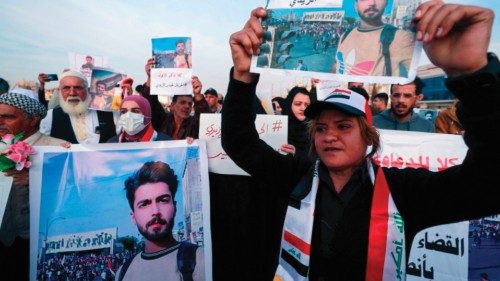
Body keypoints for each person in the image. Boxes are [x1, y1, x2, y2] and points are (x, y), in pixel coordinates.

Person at [223, 2, 499, 280]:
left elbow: (488, 183)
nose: (329, 136)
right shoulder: (296, 176)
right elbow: (239, 142)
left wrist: (473, 75)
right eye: (320, 128)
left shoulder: (401, 190)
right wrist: (243, 76)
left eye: (343, 126)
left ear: (368, 135)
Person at [0, 93, 67, 281]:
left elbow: (70, 189)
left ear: (33, 120)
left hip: (36, 244)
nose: (0, 122)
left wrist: (37, 178)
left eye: (8, 117)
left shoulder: (58, 149)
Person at [116, 161, 204, 281]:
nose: (155, 211)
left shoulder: (201, 259)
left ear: (175, 207)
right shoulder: (123, 273)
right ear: (133, 217)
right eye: (145, 204)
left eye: (163, 200)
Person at [333, 0, 415, 77]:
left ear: (386, 2)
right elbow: (336, 66)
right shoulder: (345, 35)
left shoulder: (400, 37)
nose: (372, 3)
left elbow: (420, 76)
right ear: (356, 5)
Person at [40, 70, 117, 144]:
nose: (72, 93)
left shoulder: (110, 114)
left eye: (78, 88)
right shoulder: (50, 116)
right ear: (59, 91)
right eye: (66, 88)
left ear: (87, 90)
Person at [141, 58, 210, 139]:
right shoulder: (162, 121)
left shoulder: (194, 124)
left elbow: (206, 119)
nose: (187, 106)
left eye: (190, 104)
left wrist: (197, 94)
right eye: (182, 102)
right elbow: (150, 102)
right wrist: (151, 77)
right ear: (172, 105)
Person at [107, 95, 171, 143]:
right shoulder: (112, 143)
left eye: (136, 111)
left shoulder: (165, 142)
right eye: (124, 112)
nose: (128, 116)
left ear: (147, 114)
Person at [278, 86, 312, 160]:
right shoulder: (279, 128)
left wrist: (297, 153)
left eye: (307, 105)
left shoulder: (314, 131)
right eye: (298, 104)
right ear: (289, 104)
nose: (303, 108)